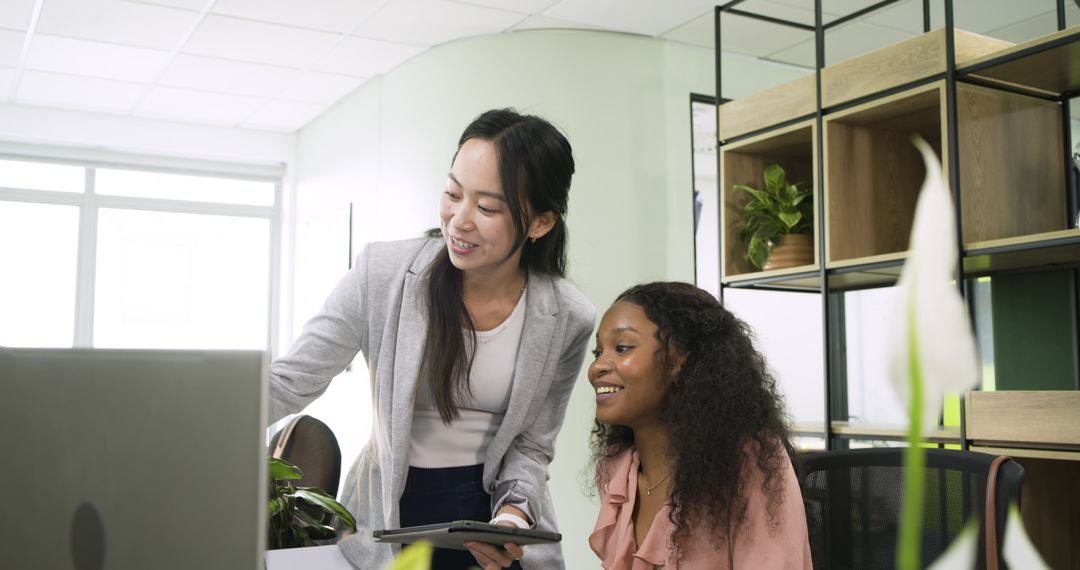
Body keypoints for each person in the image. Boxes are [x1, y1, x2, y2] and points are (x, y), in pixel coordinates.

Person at [269, 108, 596, 570]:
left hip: (492, 525)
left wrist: (514, 516)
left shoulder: (567, 316)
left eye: (486, 208)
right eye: (453, 193)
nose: (459, 220)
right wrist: (187, 427)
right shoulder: (381, 275)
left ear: (540, 223)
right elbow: (288, 382)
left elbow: (532, 444)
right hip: (395, 510)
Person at [587, 282, 811, 569]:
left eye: (622, 348)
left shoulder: (748, 460)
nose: (597, 367)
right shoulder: (618, 471)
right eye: (598, 353)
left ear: (680, 360)